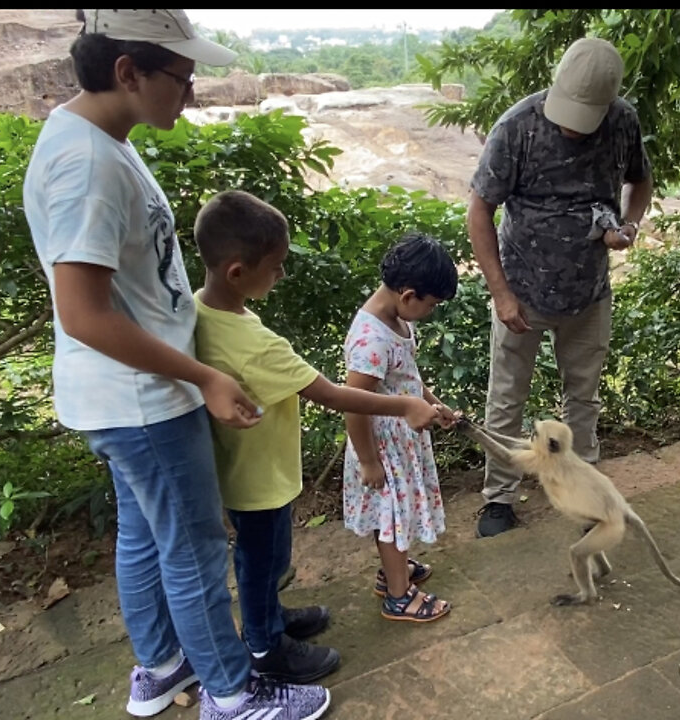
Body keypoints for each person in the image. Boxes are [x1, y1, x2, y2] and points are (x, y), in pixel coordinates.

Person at [23, 10, 330, 719]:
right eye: (181, 79)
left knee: (144, 532)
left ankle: (161, 666)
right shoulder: (87, 164)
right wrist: (204, 375)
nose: (188, 95)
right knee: (193, 548)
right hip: (144, 401)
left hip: (134, 397)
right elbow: (83, 313)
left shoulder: (102, 139)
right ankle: (232, 695)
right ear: (128, 72)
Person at [191, 192, 441, 679]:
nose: (282, 275)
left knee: (269, 557)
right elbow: (335, 395)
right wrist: (407, 406)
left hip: (254, 467)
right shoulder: (259, 343)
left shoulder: (212, 312)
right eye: (277, 266)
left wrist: (420, 399)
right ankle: (265, 648)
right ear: (238, 272)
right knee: (264, 559)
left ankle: (272, 618)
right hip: (258, 477)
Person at [466, 37, 654, 538]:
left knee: (583, 400)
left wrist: (628, 226)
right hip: (522, 291)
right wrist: (502, 294)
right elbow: (478, 211)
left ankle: (584, 497)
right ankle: (499, 498)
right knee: (506, 399)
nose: (573, 125)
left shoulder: (622, 122)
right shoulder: (516, 127)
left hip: (589, 292)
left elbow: (641, 183)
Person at [343, 233, 460, 622]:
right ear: (409, 295)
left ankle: (395, 568)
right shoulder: (372, 339)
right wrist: (368, 461)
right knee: (390, 515)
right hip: (380, 447)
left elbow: (406, 377)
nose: (430, 312)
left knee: (394, 512)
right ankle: (398, 594)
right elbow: (352, 404)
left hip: (401, 440)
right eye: (431, 305)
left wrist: (432, 403)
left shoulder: (397, 321)